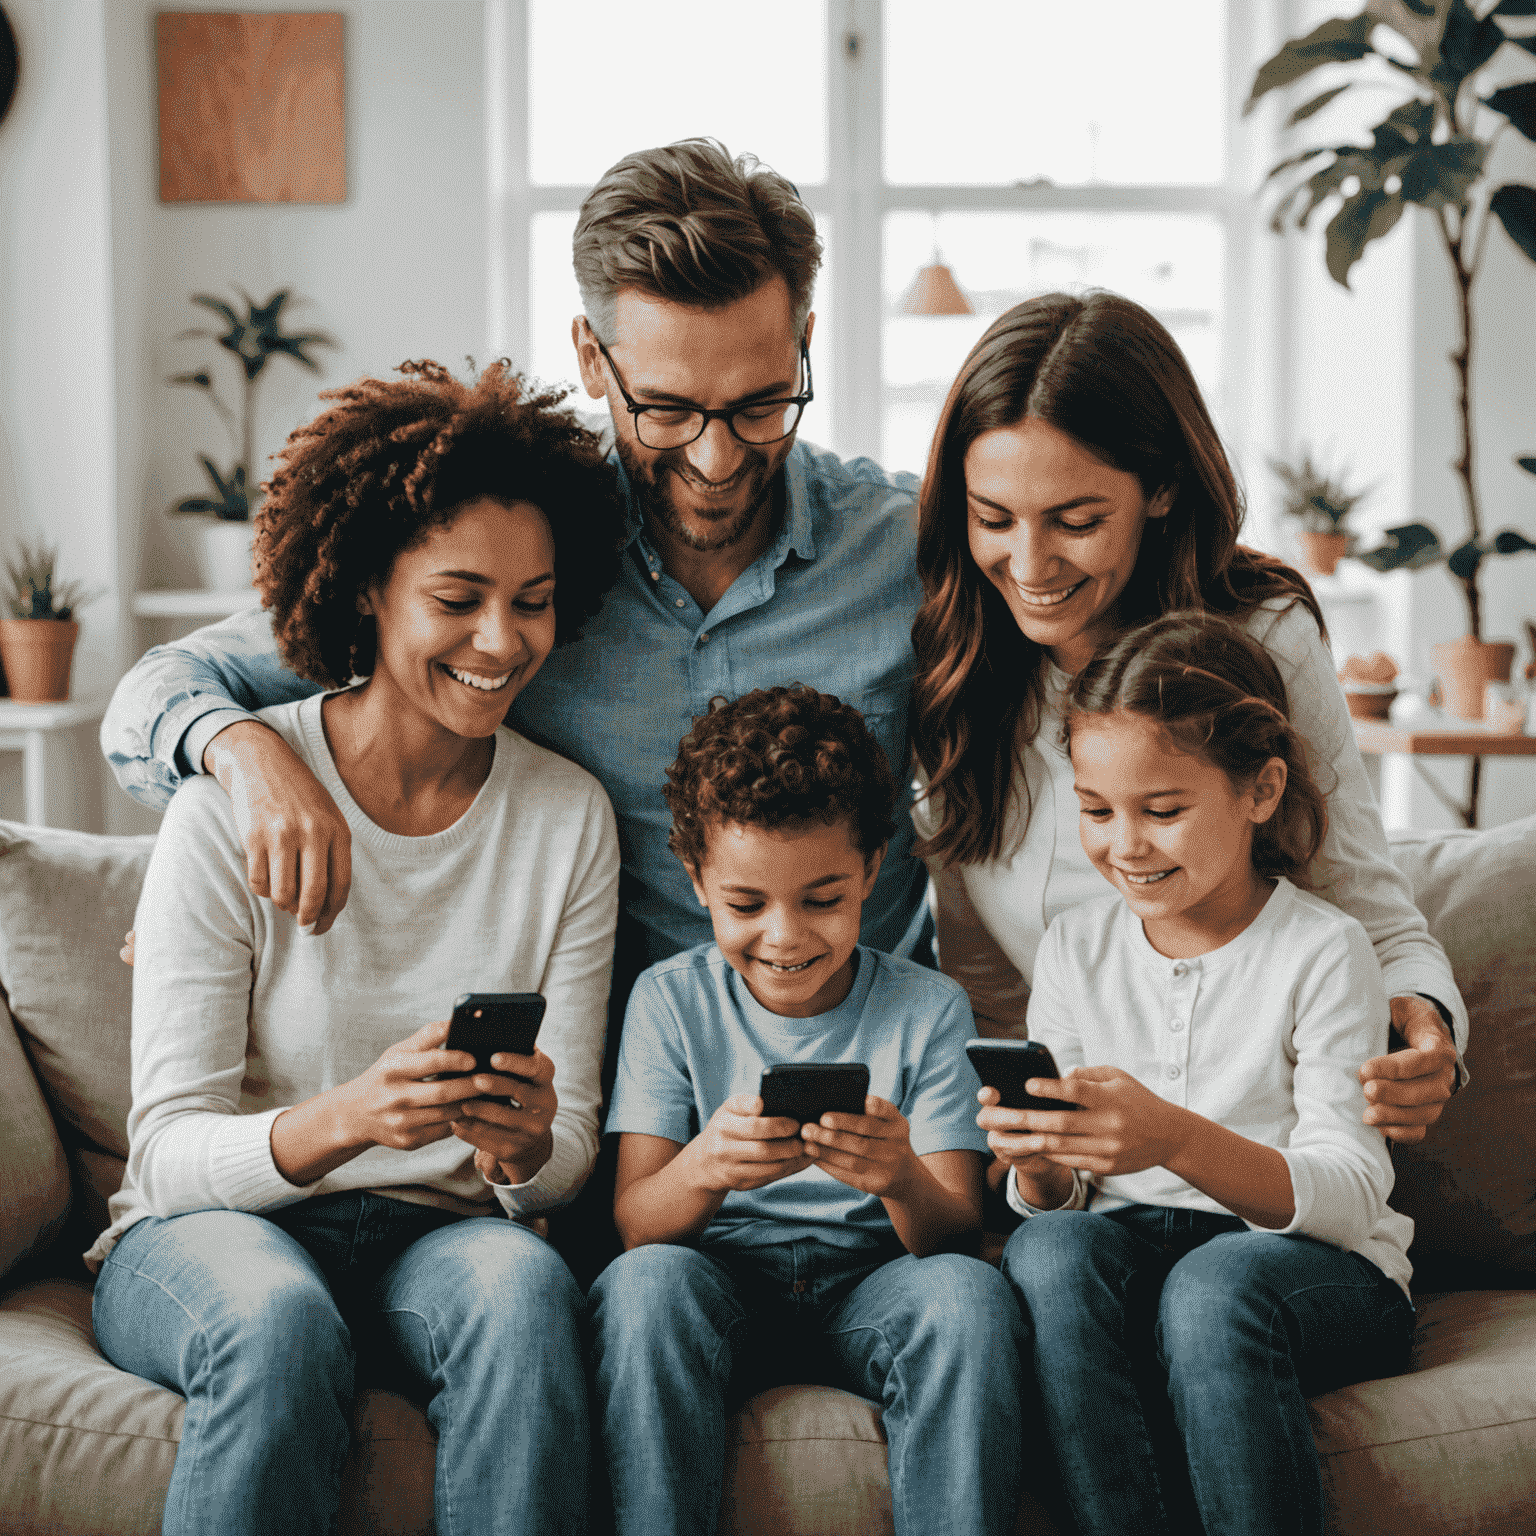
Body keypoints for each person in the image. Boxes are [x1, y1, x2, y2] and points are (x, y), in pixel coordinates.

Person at [100, 138, 929, 997]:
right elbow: (158, 691)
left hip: (871, 1070)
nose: (715, 459)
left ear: (805, 345)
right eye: (667, 409)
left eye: (761, 405)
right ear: (589, 358)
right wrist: (248, 762)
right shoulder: (522, 554)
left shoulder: (906, 548)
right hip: (607, 1097)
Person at [87, 362, 624, 1536]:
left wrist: (528, 1147)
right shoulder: (231, 797)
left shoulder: (568, 816)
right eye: (459, 597)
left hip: (439, 1233)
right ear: (370, 590)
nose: (501, 639)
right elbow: (166, 1154)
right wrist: (351, 1116)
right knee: (278, 1328)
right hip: (215, 1237)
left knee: (527, 1292)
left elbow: (568, 1149)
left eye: (532, 600)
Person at [911, 290, 1466, 1146]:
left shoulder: (1261, 637)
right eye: (994, 519)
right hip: (1084, 1169)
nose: (1028, 565)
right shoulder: (961, 657)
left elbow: (1363, 899)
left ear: (1162, 487)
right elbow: (982, 978)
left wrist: (1426, 1020)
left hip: (1270, 1138)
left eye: (1076, 521)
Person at [985, 612, 1417, 1536]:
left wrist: (1174, 1137)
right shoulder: (1074, 948)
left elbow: (1348, 1196)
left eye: (1164, 810)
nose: (1125, 845)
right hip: (1132, 1252)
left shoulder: (1324, 950)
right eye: (1097, 811)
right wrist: (1039, 1165)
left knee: (1213, 1286)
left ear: (1261, 791)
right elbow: (1062, 1205)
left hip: (1313, 1274)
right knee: (1049, 1253)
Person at [588, 685, 1027, 1536]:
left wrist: (899, 1176)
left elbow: (953, 1236)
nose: (785, 938)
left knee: (968, 1299)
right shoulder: (669, 1001)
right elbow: (636, 1224)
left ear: (872, 869)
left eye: (822, 899)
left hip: (874, 1284)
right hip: (724, 1283)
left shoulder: (930, 1008)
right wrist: (706, 1167)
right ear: (697, 880)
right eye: (746, 906)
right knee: (644, 1287)